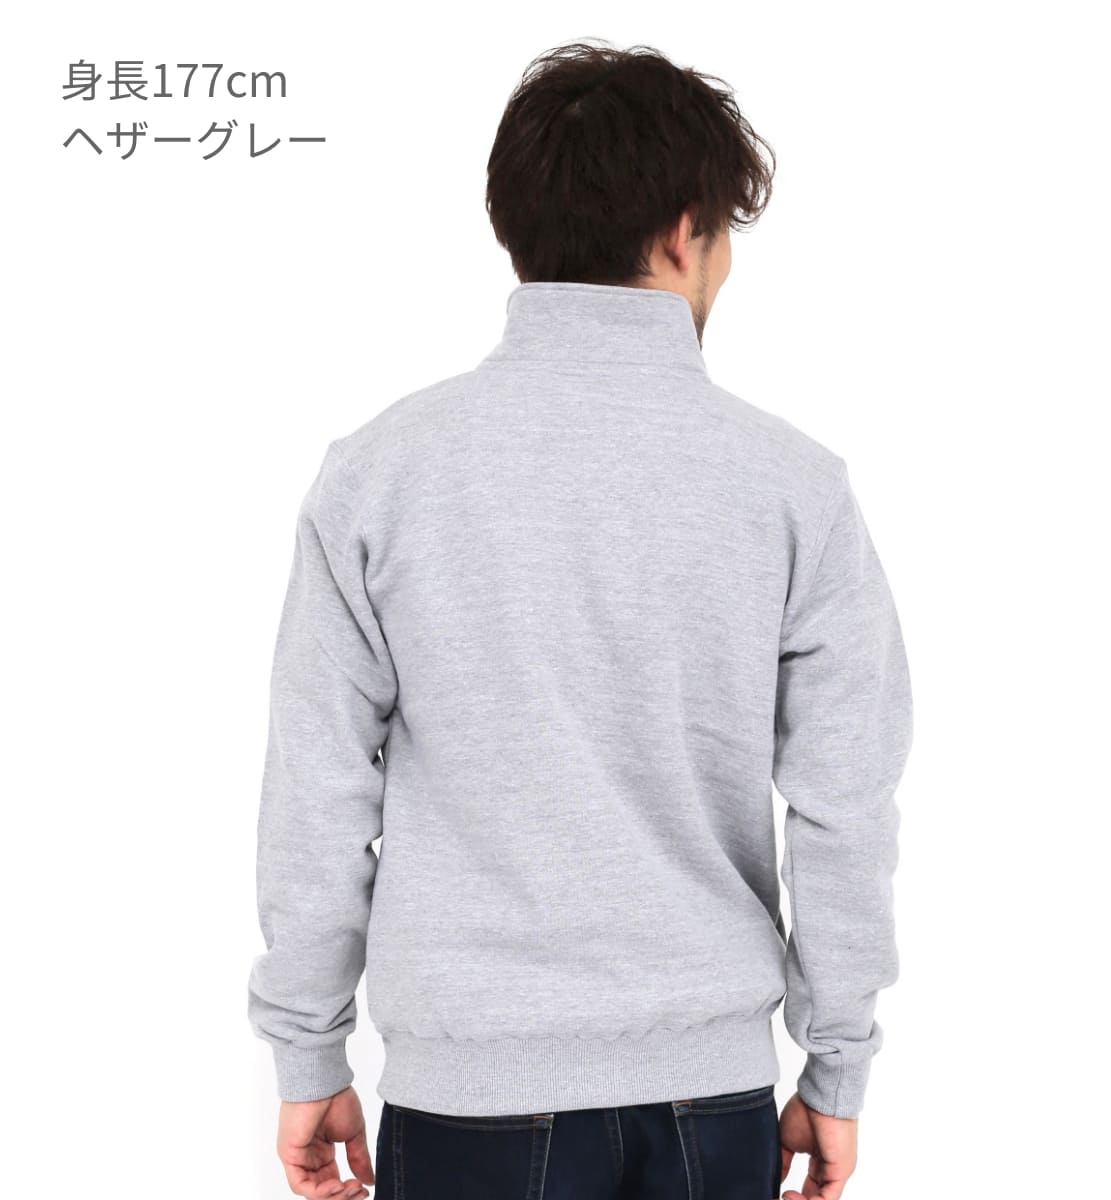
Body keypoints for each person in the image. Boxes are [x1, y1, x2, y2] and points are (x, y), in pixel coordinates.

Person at [248, 37, 914, 1200]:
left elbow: (318, 791)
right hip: (710, 1100)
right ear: (685, 232)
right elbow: (843, 805)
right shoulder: (792, 488)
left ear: (518, 228)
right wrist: (837, 1065)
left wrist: (310, 1053)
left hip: (466, 1097)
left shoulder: (380, 476)